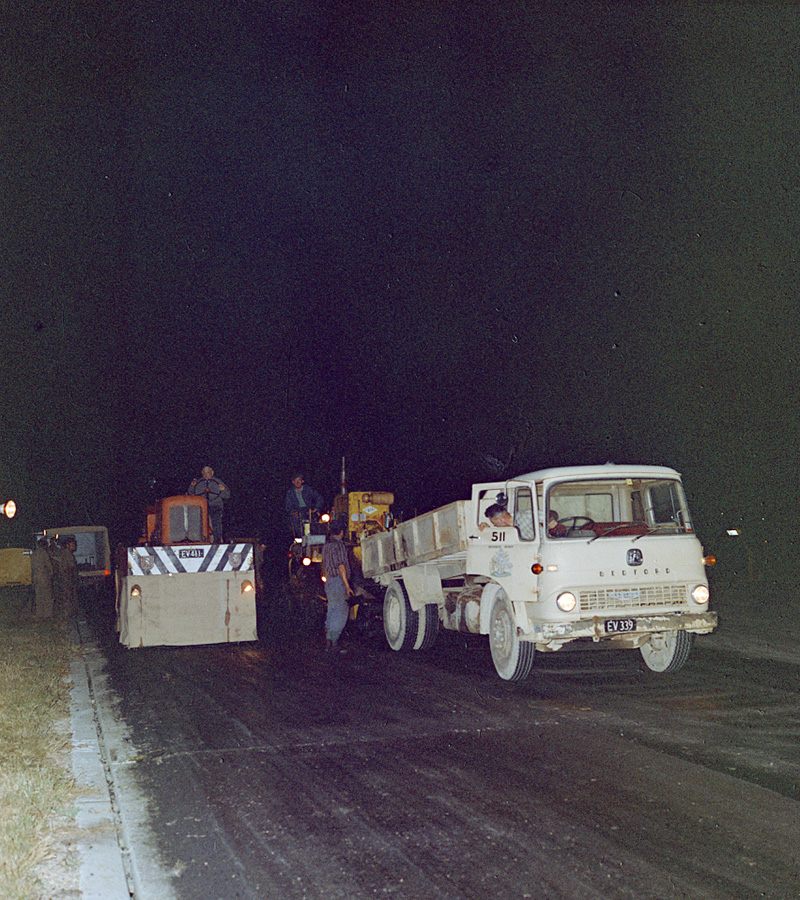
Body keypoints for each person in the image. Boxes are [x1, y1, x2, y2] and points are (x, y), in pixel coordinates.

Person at [321, 519, 353, 652]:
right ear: (341, 532)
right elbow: (341, 566)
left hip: (329, 582)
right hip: (338, 582)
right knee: (341, 612)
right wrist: (347, 586)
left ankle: (328, 642)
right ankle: (334, 643)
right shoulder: (339, 545)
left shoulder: (326, 546)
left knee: (332, 610)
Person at [188, 466, 230, 543]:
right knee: (196, 519)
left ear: (212, 473)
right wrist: (192, 485)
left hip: (215, 505)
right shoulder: (198, 482)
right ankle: (197, 540)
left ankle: (217, 540)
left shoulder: (217, 482)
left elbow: (227, 495)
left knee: (216, 520)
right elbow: (191, 494)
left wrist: (223, 489)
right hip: (202, 506)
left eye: (208, 472)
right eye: (204, 473)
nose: (206, 474)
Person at [285, 473, 325, 539]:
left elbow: (319, 498)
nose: (297, 482)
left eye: (299, 480)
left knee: (315, 522)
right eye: (296, 480)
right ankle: (300, 538)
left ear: (302, 481)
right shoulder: (290, 492)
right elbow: (288, 506)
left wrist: (316, 508)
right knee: (294, 521)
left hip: (309, 510)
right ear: (293, 482)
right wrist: (293, 512)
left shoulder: (308, 490)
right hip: (298, 512)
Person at [31, 537, 54, 619]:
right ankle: (47, 614)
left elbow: (32, 567)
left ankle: (39, 613)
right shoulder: (44, 553)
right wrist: (51, 574)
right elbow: (49, 566)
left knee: (38, 596)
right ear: (44, 546)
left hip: (36, 577)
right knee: (47, 596)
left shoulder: (34, 554)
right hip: (44, 577)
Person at [60, 536, 79, 617]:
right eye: (72, 544)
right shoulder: (66, 555)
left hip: (69, 579)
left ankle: (70, 613)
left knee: (70, 597)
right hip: (67, 580)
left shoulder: (69, 554)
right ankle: (67, 614)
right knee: (68, 597)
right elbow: (68, 568)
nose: (74, 546)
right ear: (67, 545)